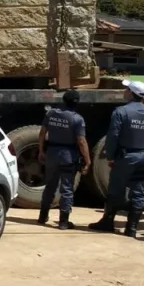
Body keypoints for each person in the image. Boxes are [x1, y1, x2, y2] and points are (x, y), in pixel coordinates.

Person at [88, 80, 144, 237]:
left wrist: (110, 156)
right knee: (138, 191)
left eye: (126, 89)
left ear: (131, 93)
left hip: (126, 157)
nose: (124, 91)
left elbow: (113, 136)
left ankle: (108, 222)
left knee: (115, 191)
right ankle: (132, 228)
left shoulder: (121, 112)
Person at [37, 89, 91, 230]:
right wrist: (88, 160)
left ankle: (43, 217)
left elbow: (42, 133)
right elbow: (81, 141)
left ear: (63, 100)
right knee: (67, 189)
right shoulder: (77, 119)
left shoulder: (51, 114)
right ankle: (63, 222)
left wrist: (41, 150)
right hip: (68, 155)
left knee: (50, 186)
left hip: (52, 154)